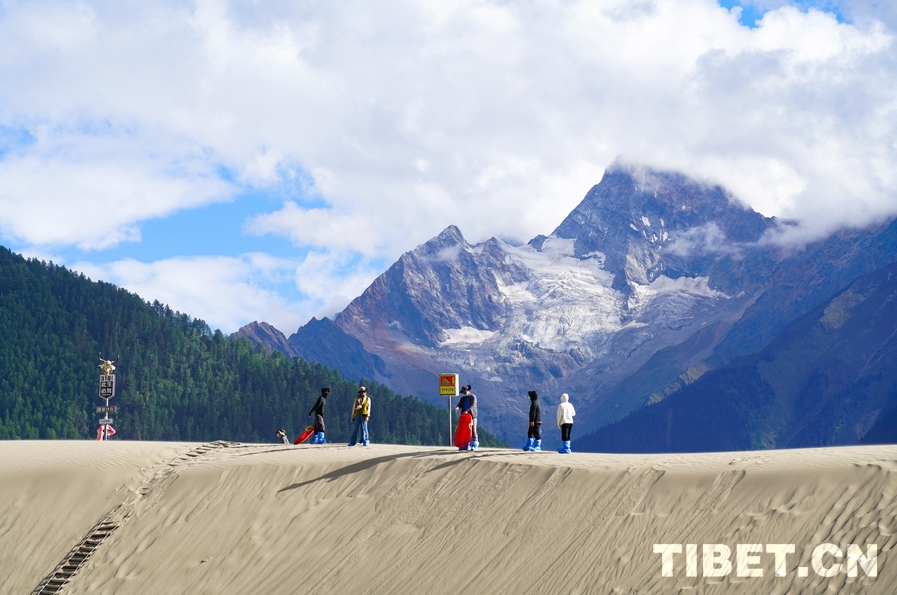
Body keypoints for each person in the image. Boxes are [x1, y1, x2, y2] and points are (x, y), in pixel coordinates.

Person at [454, 384, 479, 450]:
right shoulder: (463, 398)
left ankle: (475, 444)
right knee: (464, 431)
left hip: (472, 416)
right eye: (463, 393)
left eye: (465, 392)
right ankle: (465, 444)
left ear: (468, 391)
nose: (464, 393)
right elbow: (460, 404)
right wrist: (457, 407)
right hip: (465, 417)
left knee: (473, 431)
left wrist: (467, 411)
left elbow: (473, 405)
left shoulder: (473, 397)